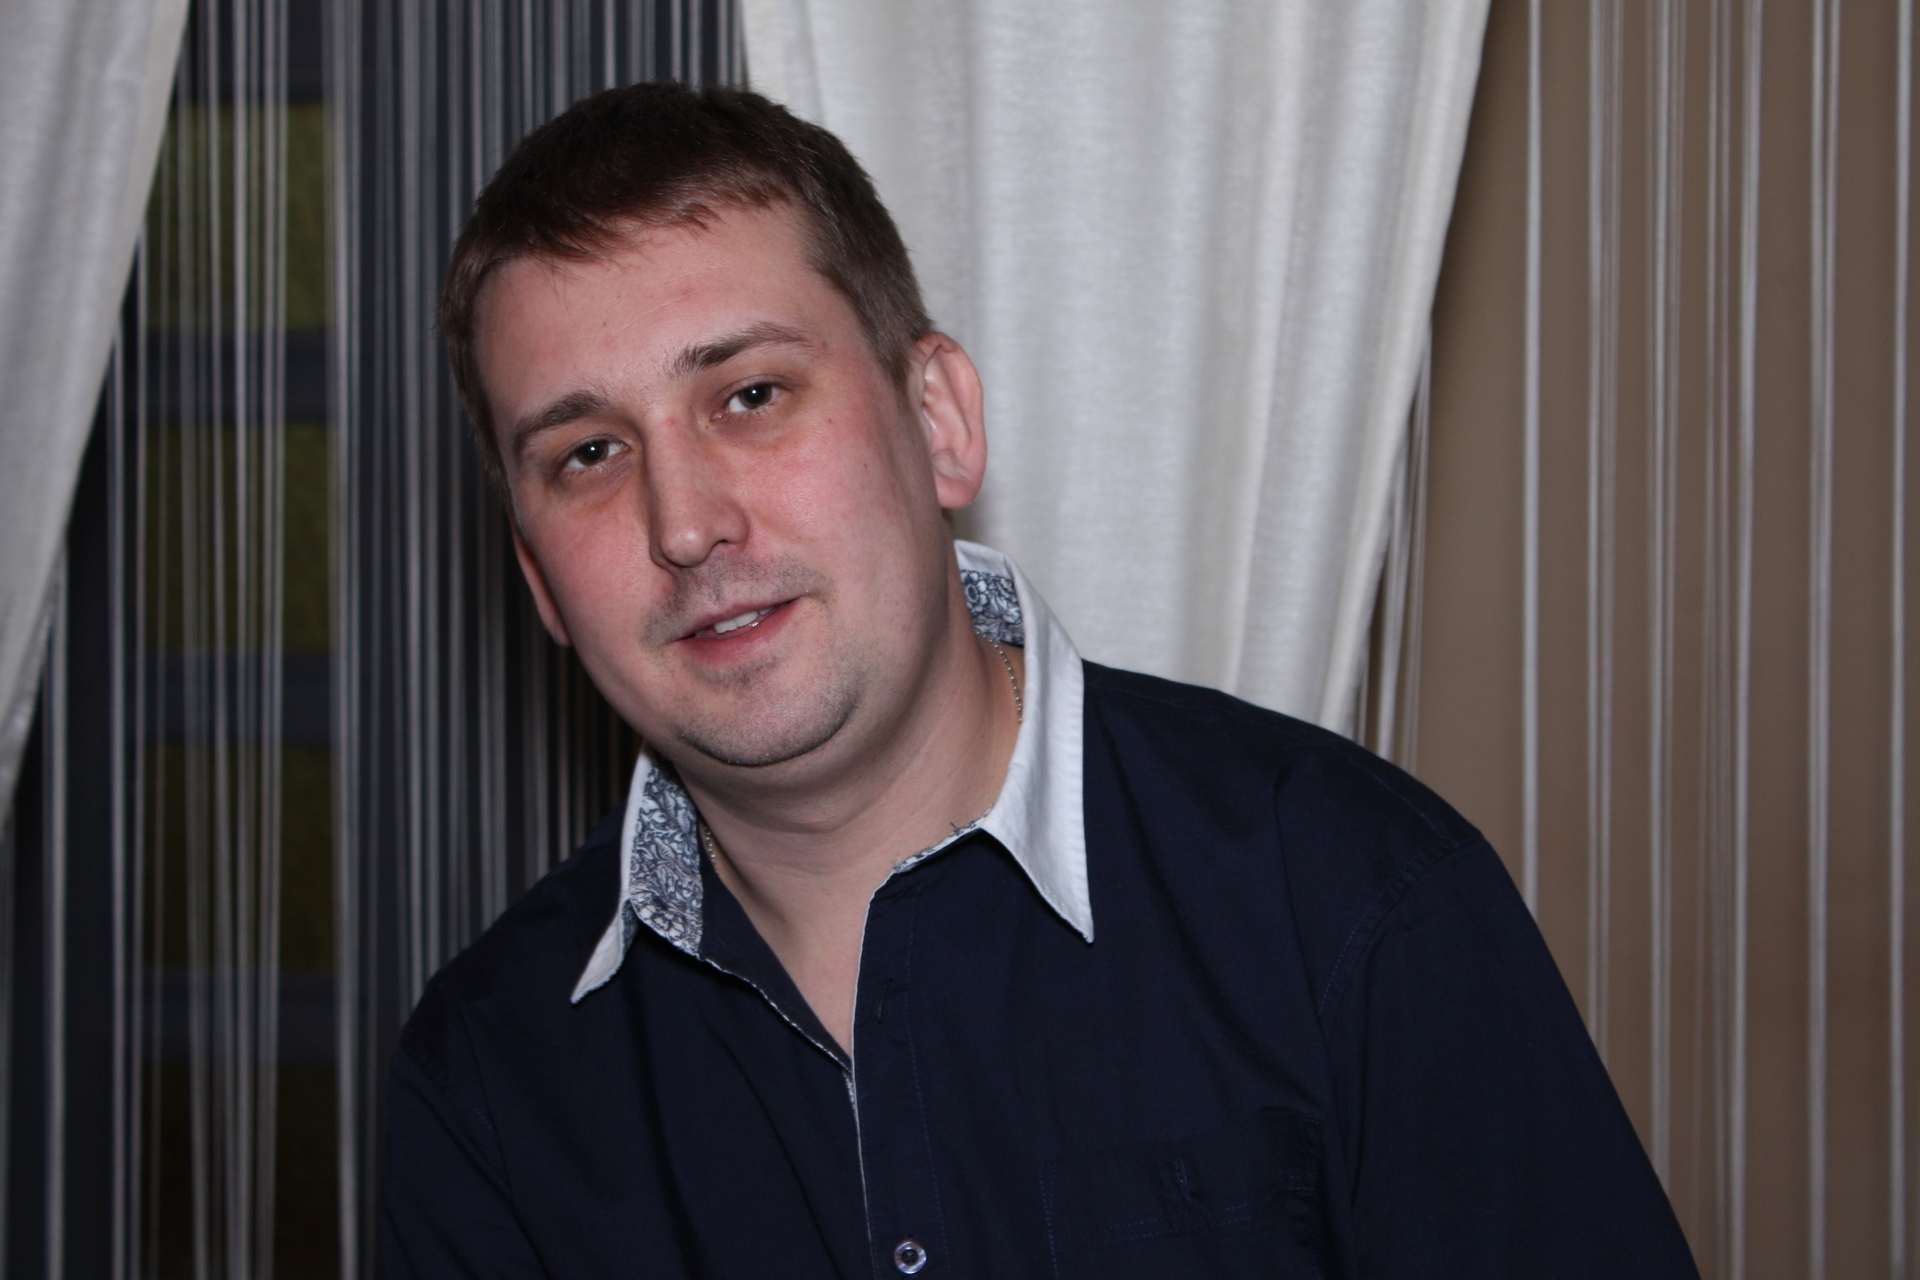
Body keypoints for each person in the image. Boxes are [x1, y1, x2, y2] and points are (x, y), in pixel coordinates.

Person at [385, 81, 1698, 1279]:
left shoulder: (1354, 904)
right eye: (589, 453)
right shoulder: (491, 1081)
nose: (684, 524)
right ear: (542, 580)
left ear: (939, 422)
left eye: (751, 395)